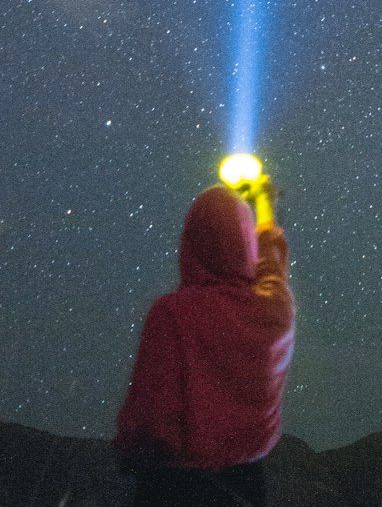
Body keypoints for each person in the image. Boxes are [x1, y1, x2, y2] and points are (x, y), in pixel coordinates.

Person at [115, 172, 295, 507]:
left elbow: (149, 419)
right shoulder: (273, 311)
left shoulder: (171, 315)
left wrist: (128, 454)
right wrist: (265, 205)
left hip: (172, 489)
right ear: (247, 247)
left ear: (191, 242)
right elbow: (272, 266)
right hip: (246, 488)